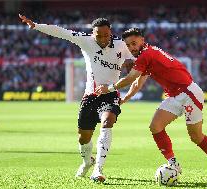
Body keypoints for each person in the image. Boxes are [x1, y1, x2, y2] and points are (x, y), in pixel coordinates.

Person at [95, 28, 207, 181]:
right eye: (128, 45)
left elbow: (130, 78)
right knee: (155, 126)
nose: (131, 48)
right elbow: (137, 83)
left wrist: (109, 88)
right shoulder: (146, 54)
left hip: (189, 93)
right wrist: (124, 100)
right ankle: (173, 163)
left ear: (142, 40)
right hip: (175, 95)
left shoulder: (146, 55)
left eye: (134, 43)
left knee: (195, 136)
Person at [19, 14, 134, 182]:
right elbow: (61, 32)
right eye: (98, 35)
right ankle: (88, 161)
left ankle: (98, 169)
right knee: (83, 138)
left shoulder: (121, 45)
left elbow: (136, 59)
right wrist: (36, 26)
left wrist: (130, 63)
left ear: (110, 33)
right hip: (90, 96)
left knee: (107, 122)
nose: (102, 38)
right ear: (92, 34)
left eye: (105, 35)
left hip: (110, 94)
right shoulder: (85, 40)